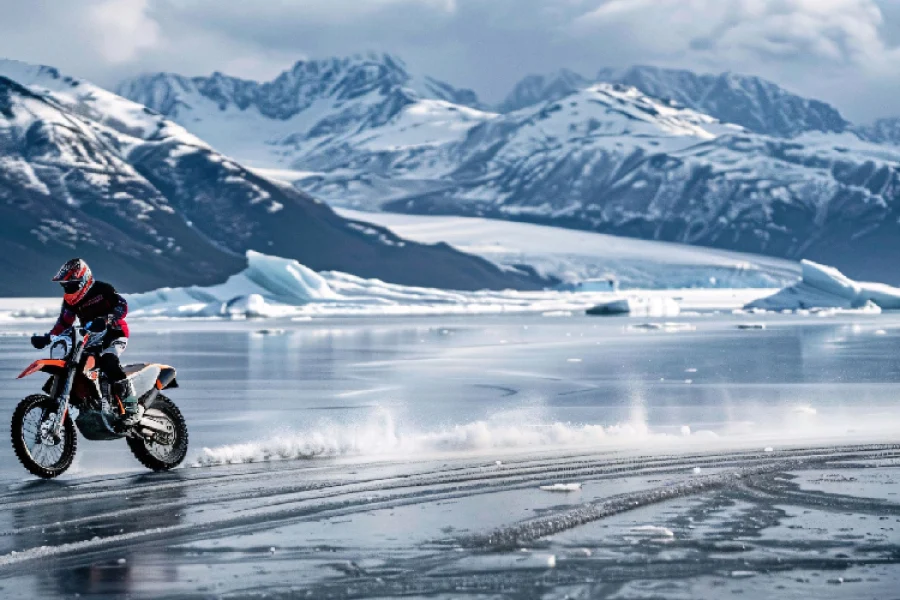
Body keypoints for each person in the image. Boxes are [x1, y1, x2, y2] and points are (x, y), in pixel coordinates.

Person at [31, 258, 142, 425]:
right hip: (91, 337)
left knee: (109, 361)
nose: (68, 289)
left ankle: (132, 408)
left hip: (114, 333)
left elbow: (122, 306)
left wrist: (106, 318)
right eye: (65, 285)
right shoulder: (70, 301)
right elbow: (64, 322)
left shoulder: (102, 290)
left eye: (71, 285)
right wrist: (47, 338)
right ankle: (87, 403)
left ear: (84, 280)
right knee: (74, 363)